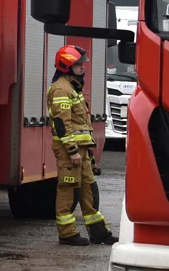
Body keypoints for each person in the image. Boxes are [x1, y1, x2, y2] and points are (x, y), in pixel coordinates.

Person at [47, 45, 117, 247]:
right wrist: (72, 151)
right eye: (78, 64)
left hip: (80, 150)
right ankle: (67, 234)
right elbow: (62, 124)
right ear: (66, 65)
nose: (82, 67)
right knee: (69, 191)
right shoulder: (61, 89)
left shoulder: (72, 87)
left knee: (89, 190)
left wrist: (86, 152)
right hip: (70, 151)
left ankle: (99, 233)